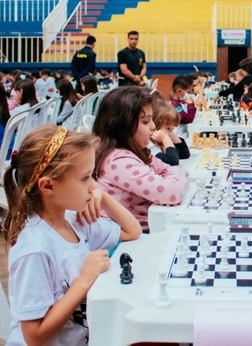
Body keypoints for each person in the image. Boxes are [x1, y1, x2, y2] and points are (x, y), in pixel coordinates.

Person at [3, 125, 142, 345]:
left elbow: (132, 231)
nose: (92, 186)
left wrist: (103, 197)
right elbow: (34, 337)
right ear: (48, 186)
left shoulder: (73, 221)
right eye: (85, 178)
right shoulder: (35, 249)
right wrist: (84, 279)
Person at [92, 86, 189, 231]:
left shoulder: (138, 151)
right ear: (121, 126)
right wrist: (177, 174)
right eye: (145, 122)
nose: (153, 126)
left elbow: (168, 169)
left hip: (147, 227)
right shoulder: (118, 161)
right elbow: (173, 192)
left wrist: (174, 174)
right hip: (126, 238)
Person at [149, 95, 190, 166]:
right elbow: (172, 162)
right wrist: (165, 139)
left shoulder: (162, 138)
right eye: (168, 128)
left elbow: (184, 154)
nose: (170, 133)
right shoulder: (150, 146)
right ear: (154, 125)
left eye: (172, 128)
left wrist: (171, 133)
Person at [169, 74, 197, 138]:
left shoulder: (178, 102)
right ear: (179, 91)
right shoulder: (175, 106)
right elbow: (188, 119)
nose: (190, 95)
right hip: (178, 137)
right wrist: (191, 105)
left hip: (182, 136)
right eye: (188, 92)